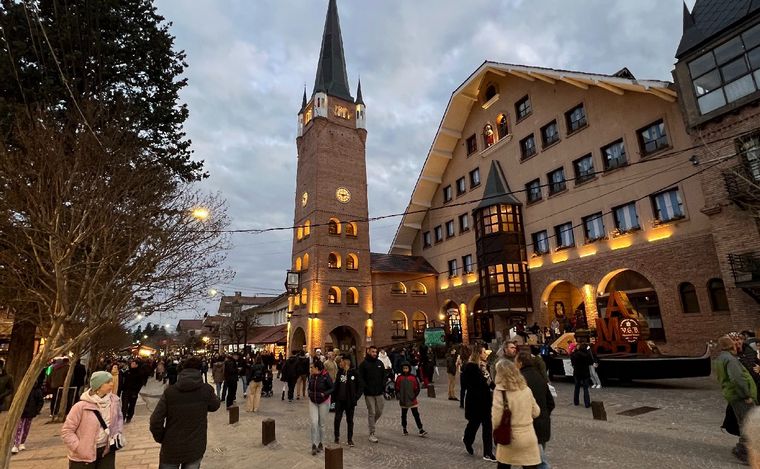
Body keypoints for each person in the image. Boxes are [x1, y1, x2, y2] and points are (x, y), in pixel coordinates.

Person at [150, 357, 221, 469]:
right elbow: (215, 406)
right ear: (199, 370)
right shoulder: (206, 390)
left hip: (171, 445)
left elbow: (155, 420)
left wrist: (162, 437)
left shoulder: (170, 392)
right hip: (195, 444)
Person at [61, 371, 124, 469]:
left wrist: (117, 433)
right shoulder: (80, 407)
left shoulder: (114, 402)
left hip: (106, 451)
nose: (112, 384)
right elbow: (67, 431)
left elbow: (119, 419)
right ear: (98, 386)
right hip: (83, 455)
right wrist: (79, 448)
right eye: (107, 382)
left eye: (111, 381)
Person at [715, 335, 758, 463]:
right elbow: (737, 379)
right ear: (731, 345)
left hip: (733, 395)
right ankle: (743, 449)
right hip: (740, 396)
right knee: (747, 422)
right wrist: (746, 395)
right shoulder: (731, 360)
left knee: (744, 421)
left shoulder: (720, 358)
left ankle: (743, 448)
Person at [492, 359, 542, 469]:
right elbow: (536, 412)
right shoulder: (526, 389)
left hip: (509, 436)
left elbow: (496, 419)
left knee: (504, 465)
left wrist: (495, 431)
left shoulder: (500, 391)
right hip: (528, 436)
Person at [516, 351, 554, 469]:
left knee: (538, 461)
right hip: (543, 422)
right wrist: (545, 414)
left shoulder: (521, 380)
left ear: (520, 363)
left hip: (529, 425)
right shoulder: (539, 377)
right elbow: (551, 402)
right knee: (536, 458)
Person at [461, 344, 495, 461]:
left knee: (487, 426)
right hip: (475, 400)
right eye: (484, 352)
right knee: (473, 424)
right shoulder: (470, 367)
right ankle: (467, 440)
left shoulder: (484, 367)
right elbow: (465, 384)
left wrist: (497, 388)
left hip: (485, 400)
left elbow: (490, 382)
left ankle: (488, 452)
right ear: (478, 354)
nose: (486, 354)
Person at [358, 345, 386, 443]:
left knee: (379, 411)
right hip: (369, 393)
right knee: (372, 412)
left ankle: (371, 424)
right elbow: (360, 377)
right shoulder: (364, 364)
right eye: (373, 351)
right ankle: (372, 433)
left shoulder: (380, 363)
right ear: (368, 352)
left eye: (375, 352)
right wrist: (365, 387)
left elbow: (384, 375)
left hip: (379, 392)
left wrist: (383, 386)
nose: (374, 353)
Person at [333, 354, 361, 446]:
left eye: (342, 360)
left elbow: (360, 386)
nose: (340, 362)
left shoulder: (354, 373)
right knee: (337, 419)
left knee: (350, 420)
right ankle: (336, 437)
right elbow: (336, 385)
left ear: (347, 361)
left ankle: (350, 439)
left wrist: (355, 397)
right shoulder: (340, 372)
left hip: (350, 401)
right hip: (340, 400)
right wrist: (334, 398)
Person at [307, 360, 334, 455]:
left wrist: (324, 394)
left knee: (321, 424)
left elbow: (332, 388)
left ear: (317, 368)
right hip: (313, 401)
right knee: (314, 422)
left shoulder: (326, 376)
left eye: (312, 367)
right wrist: (309, 393)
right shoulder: (311, 376)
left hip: (324, 402)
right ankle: (314, 444)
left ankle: (321, 443)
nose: (310, 369)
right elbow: (309, 386)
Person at [12, 377, 43, 454]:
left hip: (30, 412)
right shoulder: (22, 390)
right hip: (21, 412)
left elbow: (40, 401)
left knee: (26, 428)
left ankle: (22, 442)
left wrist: (36, 410)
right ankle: (16, 444)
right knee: (19, 428)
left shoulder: (37, 391)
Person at [395, 361, 427, 437]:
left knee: (416, 415)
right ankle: (404, 428)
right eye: (404, 368)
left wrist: (414, 396)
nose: (405, 370)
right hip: (403, 400)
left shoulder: (413, 377)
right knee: (404, 415)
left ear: (409, 368)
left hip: (412, 400)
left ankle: (420, 429)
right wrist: (400, 397)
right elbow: (397, 388)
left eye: (406, 368)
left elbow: (417, 388)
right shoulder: (399, 378)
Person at [571, 343, 593, 408]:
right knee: (585, 388)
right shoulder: (586, 355)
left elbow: (572, 361)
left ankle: (576, 402)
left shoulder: (574, 354)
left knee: (576, 387)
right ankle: (587, 403)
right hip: (585, 373)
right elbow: (591, 362)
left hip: (577, 372)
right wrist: (589, 351)